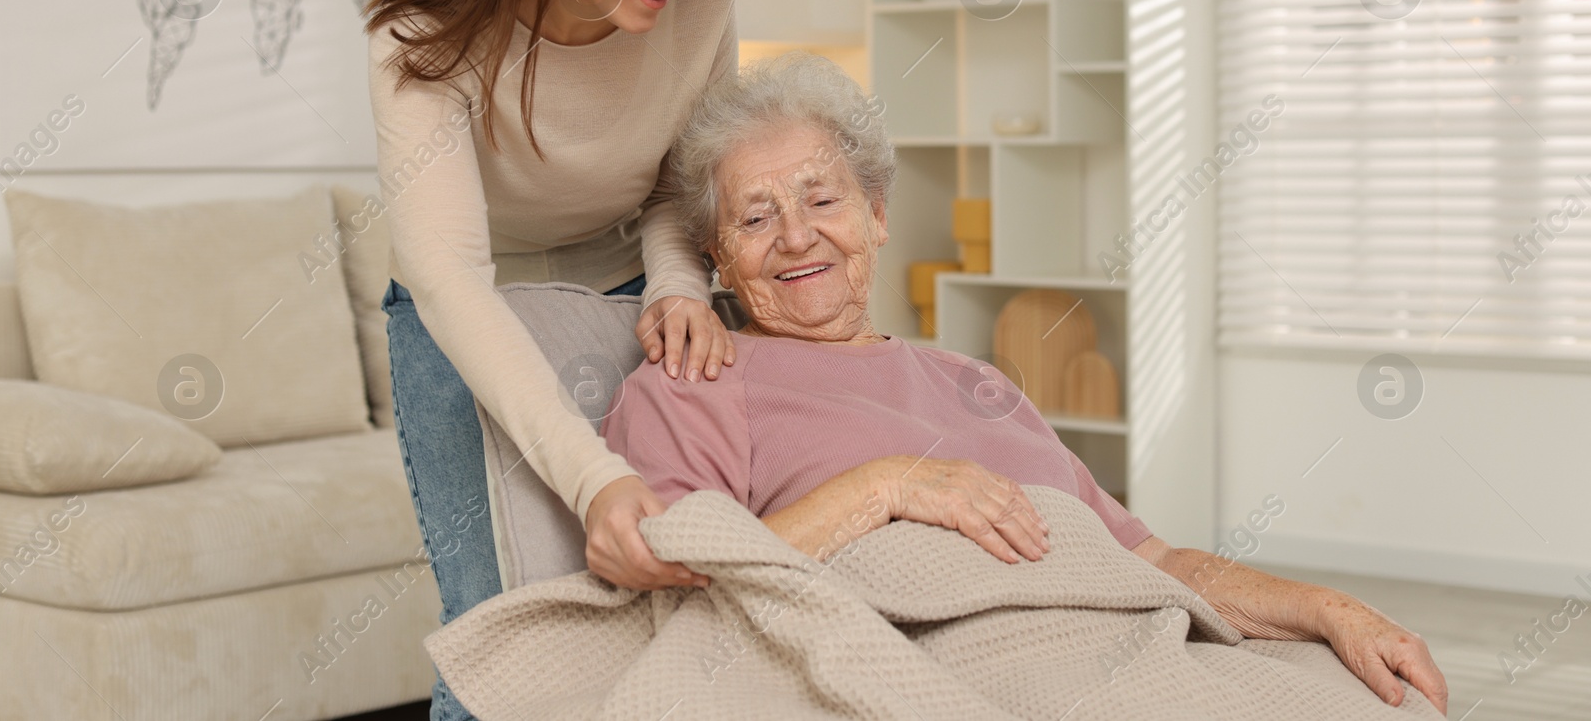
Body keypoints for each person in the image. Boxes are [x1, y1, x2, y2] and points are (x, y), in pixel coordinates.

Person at [600, 52, 1450, 717]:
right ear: (716, 253)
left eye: (822, 199)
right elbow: (682, 577)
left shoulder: (977, 384)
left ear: (877, 215)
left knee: (1378, 698)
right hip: (967, 667)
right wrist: (889, 485)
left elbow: (1149, 560)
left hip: (1124, 640)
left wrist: (1329, 607)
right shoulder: (700, 377)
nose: (795, 236)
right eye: (755, 217)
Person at [362, 0, 764, 721]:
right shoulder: (427, 26)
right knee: (505, 623)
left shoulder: (706, 6)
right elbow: (452, 275)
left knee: (669, 603)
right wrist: (594, 480)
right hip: (463, 307)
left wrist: (677, 282)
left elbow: (681, 183)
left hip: (633, 285)